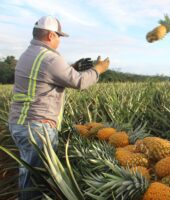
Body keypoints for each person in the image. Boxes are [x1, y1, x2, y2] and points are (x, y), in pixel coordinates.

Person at [8, 15, 110, 200]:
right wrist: (99, 69)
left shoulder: (29, 54)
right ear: (50, 36)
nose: (59, 41)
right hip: (37, 128)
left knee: (28, 173)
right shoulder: (49, 58)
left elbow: (45, 77)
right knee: (36, 180)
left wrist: (72, 67)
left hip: (21, 123)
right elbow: (79, 82)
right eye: (58, 37)